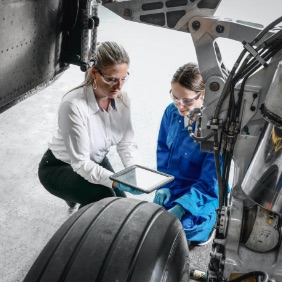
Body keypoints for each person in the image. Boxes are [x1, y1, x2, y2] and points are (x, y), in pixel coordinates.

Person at [38, 41, 142, 209]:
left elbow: (126, 144)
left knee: (122, 205)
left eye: (124, 78)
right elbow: (81, 163)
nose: (119, 87)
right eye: (112, 79)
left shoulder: (123, 99)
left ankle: (78, 196)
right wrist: (116, 182)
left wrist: (134, 172)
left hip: (96, 160)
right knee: (104, 198)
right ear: (94, 73)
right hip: (59, 166)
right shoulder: (73, 105)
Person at [153, 62, 219, 245]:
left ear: (203, 95)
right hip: (173, 185)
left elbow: (210, 182)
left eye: (187, 101)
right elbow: (163, 150)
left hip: (202, 192)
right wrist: (162, 183)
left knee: (183, 230)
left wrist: (183, 206)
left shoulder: (214, 129)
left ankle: (211, 224)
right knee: (154, 222)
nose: (180, 106)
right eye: (175, 98)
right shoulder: (171, 112)